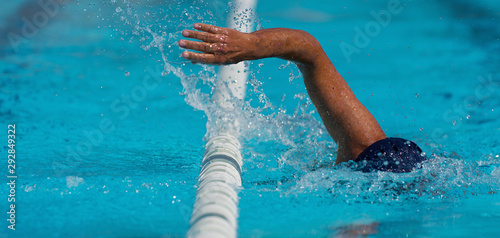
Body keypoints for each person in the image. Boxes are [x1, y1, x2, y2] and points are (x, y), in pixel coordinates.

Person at [178, 23, 426, 173]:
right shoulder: (365, 148)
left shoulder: (363, 149)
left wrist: (253, 45)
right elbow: (309, 50)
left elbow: (310, 51)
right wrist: (251, 44)